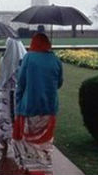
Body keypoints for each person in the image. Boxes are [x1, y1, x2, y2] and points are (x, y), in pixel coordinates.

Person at [13, 33, 63, 175]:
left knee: (29, 143)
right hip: (49, 108)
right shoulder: (55, 60)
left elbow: (21, 83)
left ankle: (32, 169)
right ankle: (43, 168)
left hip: (29, 108)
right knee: (44, 144)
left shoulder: (29, 57)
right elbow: (59, 83)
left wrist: (17, 104)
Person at [0, 37, 27, 154]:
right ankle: (17, 142)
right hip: (19, 93)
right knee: (16, 117)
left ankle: (4, 141)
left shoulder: (4, 59)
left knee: (5, 117)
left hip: (6, 92)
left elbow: (1, 75)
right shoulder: (23, 60)